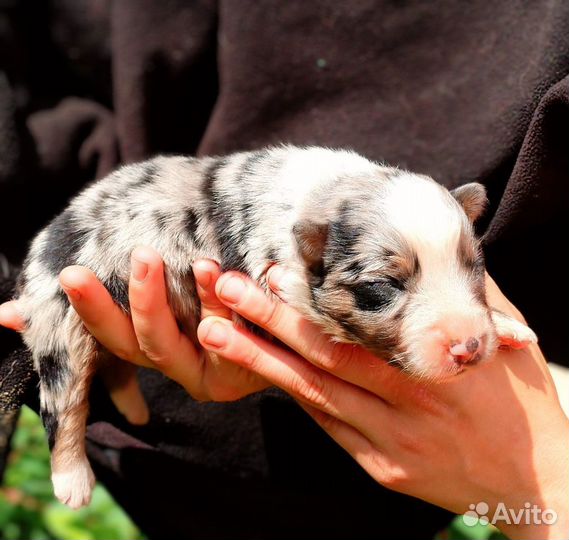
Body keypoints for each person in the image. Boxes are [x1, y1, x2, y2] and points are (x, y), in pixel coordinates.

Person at [0, 1, 568, 539]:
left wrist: (544, 483)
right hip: (191, 477)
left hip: (381, 493)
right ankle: (66, 446)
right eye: (384, 287)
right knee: (65, 354)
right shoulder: (300, 222)